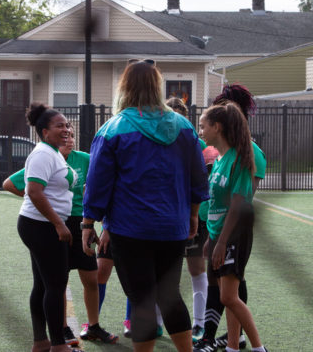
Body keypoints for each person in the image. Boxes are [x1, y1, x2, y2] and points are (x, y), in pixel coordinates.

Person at [81, 60, 209, 352]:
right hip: (172, 227)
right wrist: (192, 216)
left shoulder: (113, 128)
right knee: (170, 295)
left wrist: (89, 223)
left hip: (130, 228)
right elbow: (198, 177)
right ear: (157, 86)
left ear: (124, 87)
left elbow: (98, 182)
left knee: (141, 299)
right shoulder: (183, 126)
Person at [3, 135, 118, 346]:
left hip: (83, 223)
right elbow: (9, 183)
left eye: (72, 134)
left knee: (91, 277)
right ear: (48, 135)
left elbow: (102, 182)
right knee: (57, 281)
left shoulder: (85, 159)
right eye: (63, 134)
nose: (70, 139)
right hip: (57, 223)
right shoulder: (47, 158)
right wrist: (39, 200)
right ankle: (62, 329)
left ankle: (93, 326)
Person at [195, 84, 268, 352]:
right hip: (218, 233)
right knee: (227, 295)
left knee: (230, 294)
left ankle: (256, 347)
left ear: (220, 125)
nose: (200, 131)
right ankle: (231, 345)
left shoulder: (244, 155)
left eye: (204, 126)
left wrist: (223, 240)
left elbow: (240, 203)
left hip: (233, 234)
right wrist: (212, 238)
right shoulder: (221, 157)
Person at [16, 103, 83, 352]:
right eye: (59, 126)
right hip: (41, 226)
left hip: (41, 225)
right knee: (55, 285)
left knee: (43, 285)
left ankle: (41, 342)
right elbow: (34, 191)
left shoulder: (52, 152)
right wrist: (58, 224)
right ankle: (58, 345)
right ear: (45, 131)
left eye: (66, 125)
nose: (65, 129)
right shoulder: (43, 153)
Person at [165, 96, 209, 340]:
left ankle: (199, 322)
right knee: (163, 270)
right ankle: (157, 321)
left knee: (196, 268)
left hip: (192, 216)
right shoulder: (155, 141)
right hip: (164, 215)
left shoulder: (196, 144)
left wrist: (195, 212)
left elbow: (202, 181)